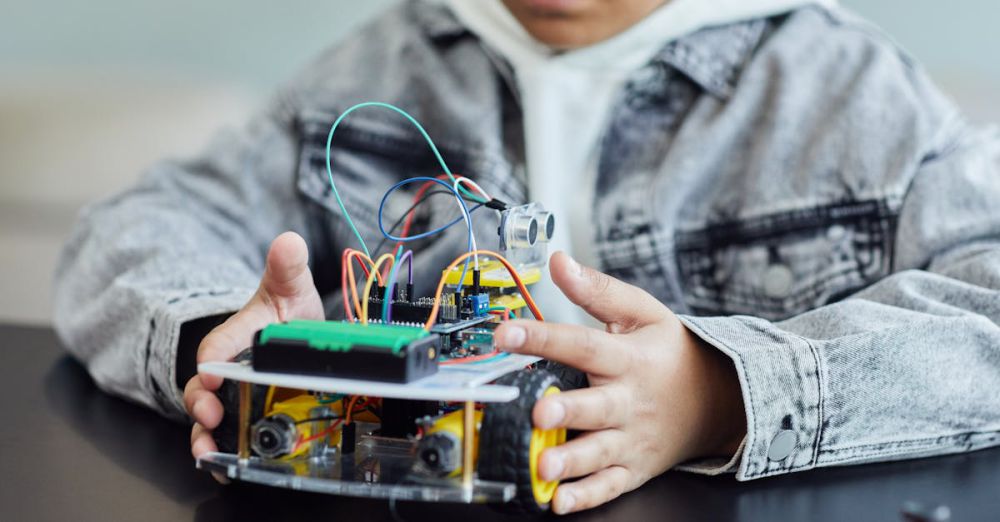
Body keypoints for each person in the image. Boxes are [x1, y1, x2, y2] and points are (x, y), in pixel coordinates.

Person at [53, 0, 1000, 515]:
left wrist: (719, 392)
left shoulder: (845, 93)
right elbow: (129, 227)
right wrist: (214, 336)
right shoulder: (381, 71)